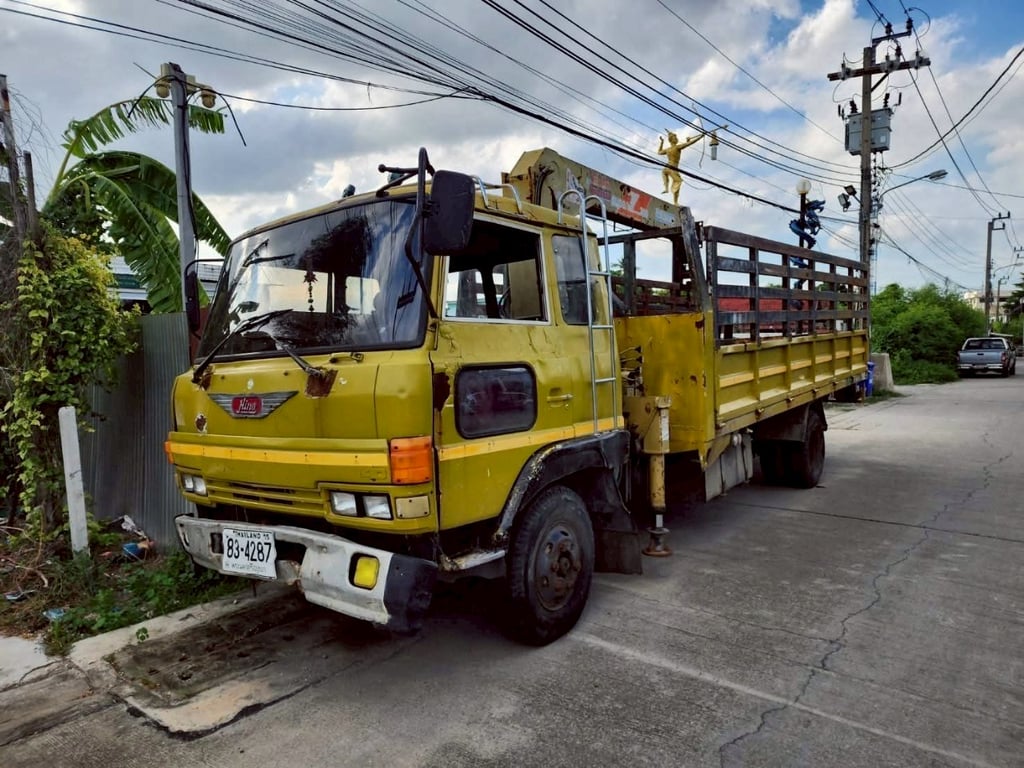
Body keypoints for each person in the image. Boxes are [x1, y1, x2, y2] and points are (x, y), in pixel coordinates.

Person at [657, 130, 703, 205]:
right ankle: (675, 202)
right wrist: (700, 137)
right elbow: (689, 144)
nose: (677, 139)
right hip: (673, 169)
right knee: (678, 181)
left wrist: (662, 142)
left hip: (666, 168)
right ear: (672, 139)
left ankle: (666, 188)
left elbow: (659, 152)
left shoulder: (668, 149)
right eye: (675, 137)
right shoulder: (677, 147)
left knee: (665, 173)